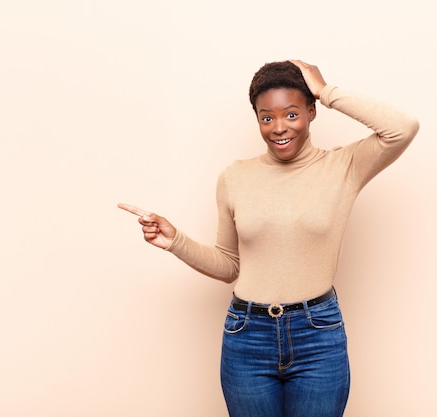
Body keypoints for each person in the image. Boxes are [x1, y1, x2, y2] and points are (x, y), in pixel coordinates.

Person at [119, 60, 419, 417]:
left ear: (311, 112)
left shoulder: (344, 166)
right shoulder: (235, 177)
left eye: (291, 115)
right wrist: (175, 242)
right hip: (247, 336)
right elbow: (229, 265)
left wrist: (326, 91)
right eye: (267, 117)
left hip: (317, 335)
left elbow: (402, 128)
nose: (279, 128)